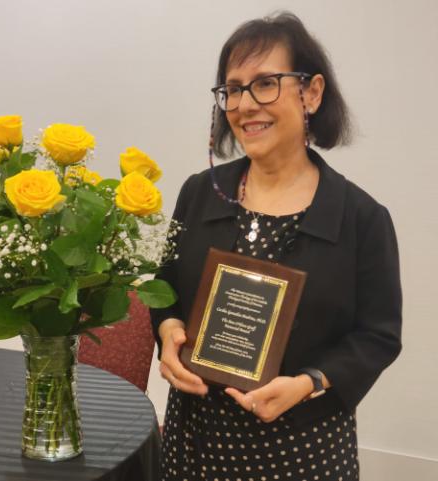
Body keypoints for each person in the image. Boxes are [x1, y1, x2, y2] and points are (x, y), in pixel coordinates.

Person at [150, 12, 402, 481]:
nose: (245, 104)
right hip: (194, 444)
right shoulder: (199, 193)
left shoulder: (360, 218)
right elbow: (164, 287)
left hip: (300, 450)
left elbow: (378, 336)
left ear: (311, 92)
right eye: (234, 88)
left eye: (266, 83)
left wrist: (310, 383)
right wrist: (167, 332)